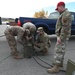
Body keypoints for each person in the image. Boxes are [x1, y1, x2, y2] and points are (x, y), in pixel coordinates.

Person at [47, 1, 72, 73]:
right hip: (62, 35)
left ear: (61, 7)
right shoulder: (63, 14)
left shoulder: (66, 14)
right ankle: (60, 63)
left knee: (58, 50)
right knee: (61, 50)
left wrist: (60, 37)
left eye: (58, 8)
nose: (57, 10)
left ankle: (56, 67)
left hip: (62, 36)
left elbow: (65, 28)